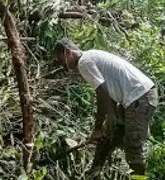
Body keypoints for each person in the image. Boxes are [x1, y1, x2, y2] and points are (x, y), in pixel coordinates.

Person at [54, 39, 158, 179]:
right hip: (137, 96)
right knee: (109, 136)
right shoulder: (90, 56)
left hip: (140, 97)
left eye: (62, 61)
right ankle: (93, 174)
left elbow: (102, 93)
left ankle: (138, 176)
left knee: (133, 149)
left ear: (68, 52)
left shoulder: (84, 62)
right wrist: (109, 119)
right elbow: (109, 93)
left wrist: (97, 127)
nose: (64, 66)